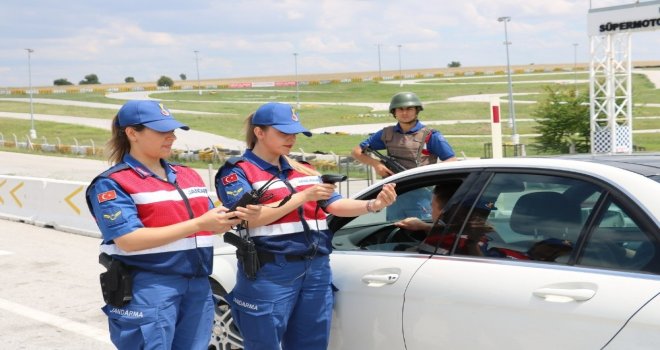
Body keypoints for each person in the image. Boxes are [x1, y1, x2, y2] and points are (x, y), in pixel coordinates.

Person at [215, 102, 397, 350]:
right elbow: (248, 219)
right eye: (283, 133)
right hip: (270, 271)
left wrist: (373, 205)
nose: (291, 139)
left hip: (316, 269)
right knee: (263, 344)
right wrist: (302, 197)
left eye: (294, 133)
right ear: (259, 132)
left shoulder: (304, 168)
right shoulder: (238, 172)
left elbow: (334, 205)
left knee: (312, 344)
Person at [85, 100, 260, 350]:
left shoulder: (188, 174)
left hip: (198, 283)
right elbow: (128, 239)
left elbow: (210, 225)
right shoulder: (113, 183)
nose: (172, 137)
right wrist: (199, 223)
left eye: (172, 131)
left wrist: (231, 217)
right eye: (161, 131)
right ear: (132, 133)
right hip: (149, 286)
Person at [351, 91, 457, 221]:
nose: (404, 113)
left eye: (409, 109)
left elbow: (452, 160)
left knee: (421, 233)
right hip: (394, 196)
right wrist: (376, 164)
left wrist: (426, 174)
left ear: (417, 111)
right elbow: (356, 151)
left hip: (421, 194)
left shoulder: (430, 135)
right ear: (394, 112)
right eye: (400, 109)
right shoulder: (386, 133)